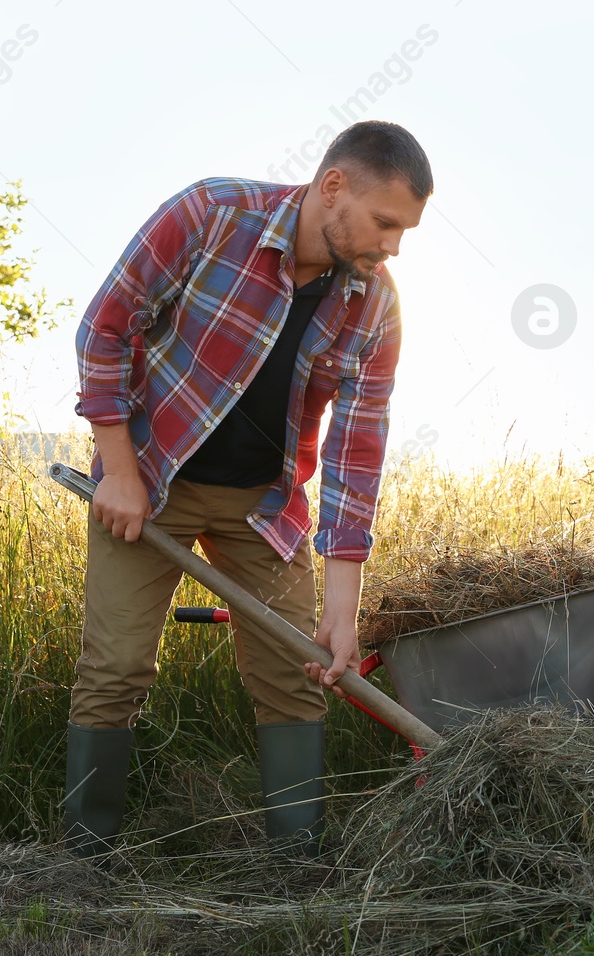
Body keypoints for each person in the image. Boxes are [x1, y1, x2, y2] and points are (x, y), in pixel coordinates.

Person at [65, 120, 432, 858]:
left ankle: (295, 873)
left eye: (405, 231)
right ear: (334, 187)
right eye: (385, 222)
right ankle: (83, 860)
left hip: (264, 505)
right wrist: (122, 473)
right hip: (153, 480)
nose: (393, 246)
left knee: (299, 674)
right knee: (117, 667)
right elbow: (106, 329)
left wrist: (340, 611)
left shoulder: (375, 306)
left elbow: (356, 457)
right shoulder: (208, 216)